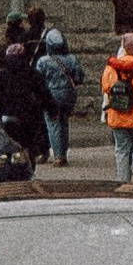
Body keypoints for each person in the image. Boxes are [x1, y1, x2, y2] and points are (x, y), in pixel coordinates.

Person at [0, 20, 44, 170]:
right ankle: (30, 169)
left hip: (8, 116)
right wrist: (49, 109)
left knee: (10, 146)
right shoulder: (31, 72)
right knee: (29, 146)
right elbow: (43, 92)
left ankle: (11, 170)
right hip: (29, 117)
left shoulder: (2, 74)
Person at [39, 22, 86, 165]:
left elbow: (38, 80)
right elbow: (79, 77)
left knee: (53, 124)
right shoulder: (72, 59)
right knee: (64, 123)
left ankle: (58, 155)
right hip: (69, 95)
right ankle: (64, 154)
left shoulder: (43, 61)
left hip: (51, 95)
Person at [102, 33, 133, 185]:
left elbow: (106, 88)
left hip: (117, 115)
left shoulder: (111, 67)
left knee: (121, 150)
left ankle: (123, 182)